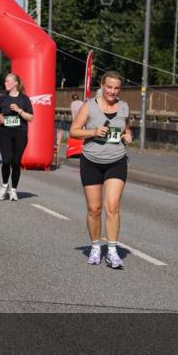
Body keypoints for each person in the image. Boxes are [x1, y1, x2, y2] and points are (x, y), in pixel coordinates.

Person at [69, 70, 133, 269]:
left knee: (112, 207)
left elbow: (127, 127)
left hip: (116, 161)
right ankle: (96, 247)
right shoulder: (90, 106)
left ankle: (112, 251)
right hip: (91, 161)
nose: (113, 91)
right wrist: (94, 132)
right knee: (94, 209)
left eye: (116, 88)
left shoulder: (124, 107)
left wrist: (128, 135)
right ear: (103, 86)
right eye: (109, 87)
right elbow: (74, 130)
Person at [0, 73, 34, 202]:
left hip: (20, 134)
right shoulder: (2, 99)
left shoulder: (24, 99)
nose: (6, 83)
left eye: (8, 81)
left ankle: (14, 190)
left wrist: (19, 110)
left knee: (16, 162)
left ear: (16, 83)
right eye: (5, 81)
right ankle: (5, 186)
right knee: (6, 161)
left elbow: (31, 118)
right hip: (5, 133)